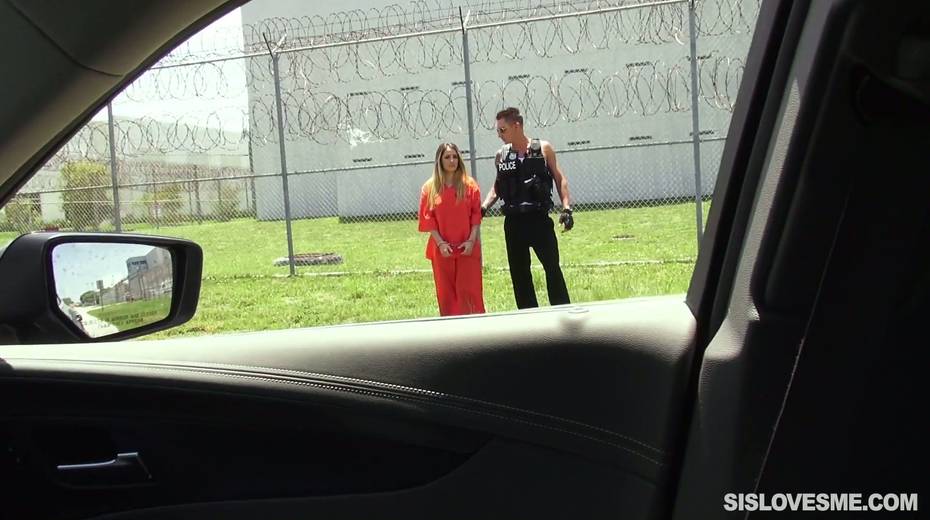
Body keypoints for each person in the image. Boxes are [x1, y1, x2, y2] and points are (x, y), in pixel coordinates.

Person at [481, 107, 573, 309]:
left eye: (502, 130)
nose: (499, 135)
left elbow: (560, 179)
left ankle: (562, 311)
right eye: (498, 131)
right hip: (514, 223)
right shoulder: (501, 155)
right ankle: (528, 316)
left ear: (517, 126)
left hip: (539, 219)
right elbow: (498, 186)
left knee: (552, 268)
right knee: (519, 274)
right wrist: (484, 206)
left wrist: (566, 208)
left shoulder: (543, 148)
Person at [418, 142, 486, 316]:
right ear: (439, 160)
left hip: (467, 247)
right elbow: (428, 218)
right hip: (442, 249)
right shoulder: (429, 188)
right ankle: (450, 328)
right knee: (446, 295)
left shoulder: (469, 185)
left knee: (470, 292)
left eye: (455, 156)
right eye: (447, 157)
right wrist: (441, 244)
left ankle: (475, 327)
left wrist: (471, 240)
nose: (452, 160)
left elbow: (476, 215)